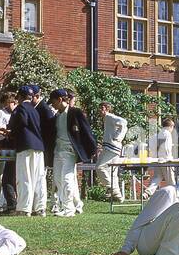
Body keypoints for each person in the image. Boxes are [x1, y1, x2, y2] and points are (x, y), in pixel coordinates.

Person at [49, 88, 96, 216]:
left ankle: (69, 209)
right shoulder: (56, 116)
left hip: (69, 150)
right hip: (57, 150)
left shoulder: (75, 112)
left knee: (67, 178)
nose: (52, 105)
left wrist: (92, 149)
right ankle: (67, 207)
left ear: (60, 100)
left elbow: (86, 131)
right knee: (58, 179)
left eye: (53, 102)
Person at [7, 84, 49, 216]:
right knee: (38, 178)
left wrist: (10, 131)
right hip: (38, 147)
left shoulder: (20, 108)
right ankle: (40, 207)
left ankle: (24, 208)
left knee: (24, 177)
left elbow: (21, 123)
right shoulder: (35, 109)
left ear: (19, 97)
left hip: (25, 145)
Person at [0, 90, 20, 212]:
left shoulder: (17, 113)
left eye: (13, 102)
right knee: (0, 174)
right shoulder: (0, 113)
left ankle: (9, 200)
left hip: (12, 147)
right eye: (8, 102)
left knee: (11, 175)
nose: (10, 105)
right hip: (3, 146)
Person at [96, 100, 128, 202]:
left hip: (112, 147)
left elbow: (124, 122)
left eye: (101, 109)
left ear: (106, 108)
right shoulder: (106, 119)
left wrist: (118, 137)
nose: (99, 111)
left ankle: (111, 188)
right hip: (111, 147)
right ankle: (118, 197)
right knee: (112, 173)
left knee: (99, 167)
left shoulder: (109, 117)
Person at [144, 117, 176, 196]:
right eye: (173, 127)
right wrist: (169, 158)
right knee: (170, 180)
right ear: (170, 126)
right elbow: (166, 148)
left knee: (157, 178)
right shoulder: (167, 133)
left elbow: (151, 146)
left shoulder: (157, 134)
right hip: (166, 160)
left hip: (158, 160)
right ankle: (173, 196)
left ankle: (147, 192)